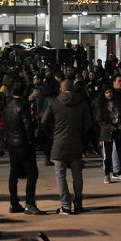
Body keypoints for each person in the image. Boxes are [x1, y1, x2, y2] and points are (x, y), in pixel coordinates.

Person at [41, 77, 93, 215]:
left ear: (61, 88)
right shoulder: (81, 102)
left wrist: (54, 133)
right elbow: (88, 123)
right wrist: (79, 133)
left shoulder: (54, 102)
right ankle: (78, 203)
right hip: (76, 142)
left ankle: (65, 205)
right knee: (77, 174)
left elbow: (44, 122)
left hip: (59, 142)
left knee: (60, 175)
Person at [4, 77, 43, 215]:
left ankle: (14, 202)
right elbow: (27, 125)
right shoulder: (22, 106)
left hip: (11, 142)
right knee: (32, 172)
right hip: (23, 143)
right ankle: (30, 202)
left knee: (14, 172)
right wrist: (32, 141)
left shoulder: (8, 105)